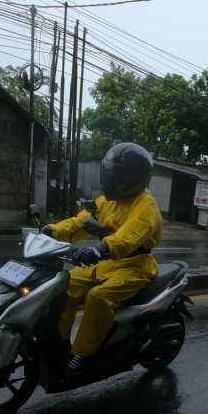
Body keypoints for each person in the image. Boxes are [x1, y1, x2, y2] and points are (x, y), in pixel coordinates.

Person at [43, 142, 163, 375]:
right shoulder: (107, 200)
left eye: (117, 176)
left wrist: (100, 249)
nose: (110, 181)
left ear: (133, 179)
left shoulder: (146, 207)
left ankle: (83, 354)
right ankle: (58, 343)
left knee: (97, 298)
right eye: (110, 174)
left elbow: (129, 237)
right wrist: (54, 231)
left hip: (134, 267)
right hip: (105, 264)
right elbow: (82, 221)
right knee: (62, 286)